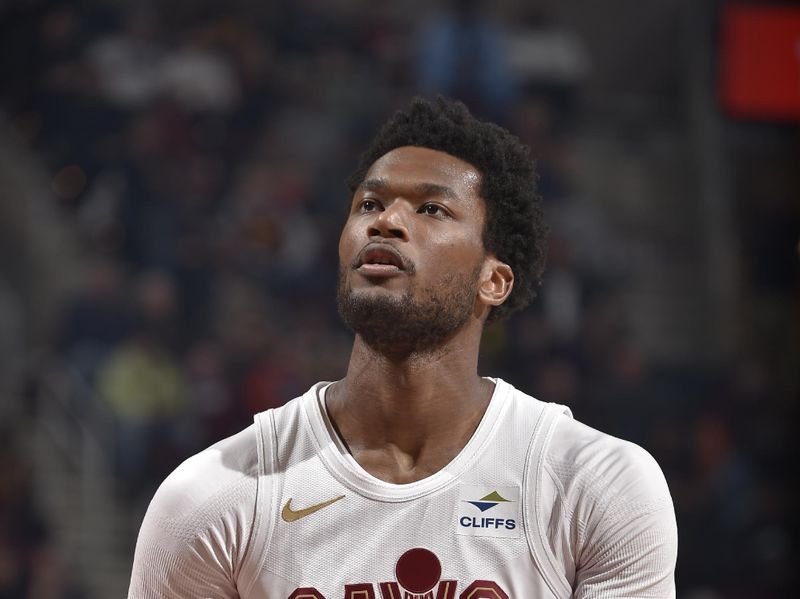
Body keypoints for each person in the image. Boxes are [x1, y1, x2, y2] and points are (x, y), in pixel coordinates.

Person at [128, 97, 677, 598]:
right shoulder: (213, 496)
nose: (386, 221)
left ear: (494, 281)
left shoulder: (593, 483)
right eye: (369, 203)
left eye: (431, 209)